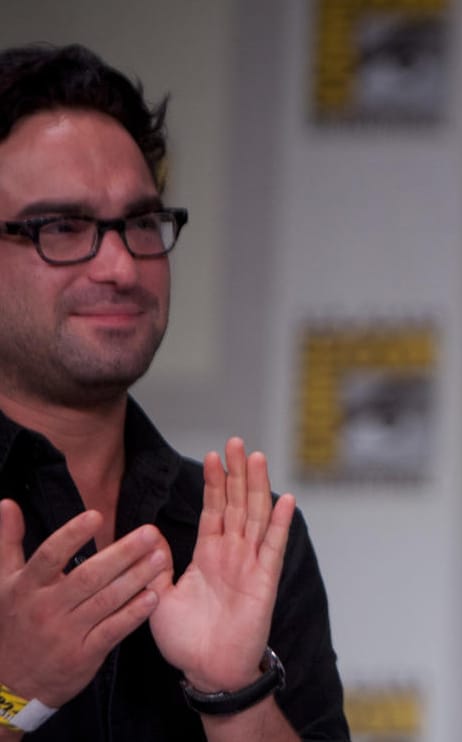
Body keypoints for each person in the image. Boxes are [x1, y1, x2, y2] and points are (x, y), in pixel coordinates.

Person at [0, 44, 349, 740]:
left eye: (138, 223)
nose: (121, 265)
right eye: (63, 228)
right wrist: (11, 696)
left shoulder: (240, 535)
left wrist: (235, 694)